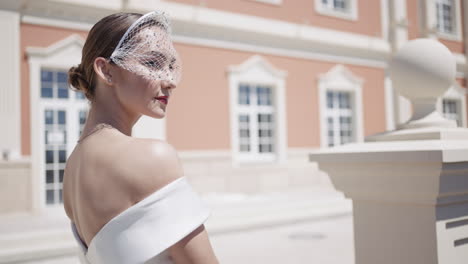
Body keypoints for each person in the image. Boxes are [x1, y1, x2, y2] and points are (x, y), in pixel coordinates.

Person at [62, 11, 219, 264]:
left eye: (171, 66)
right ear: (106, 71)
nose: (170, 81)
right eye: (153, 63)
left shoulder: (72, 169)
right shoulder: (152, 157)